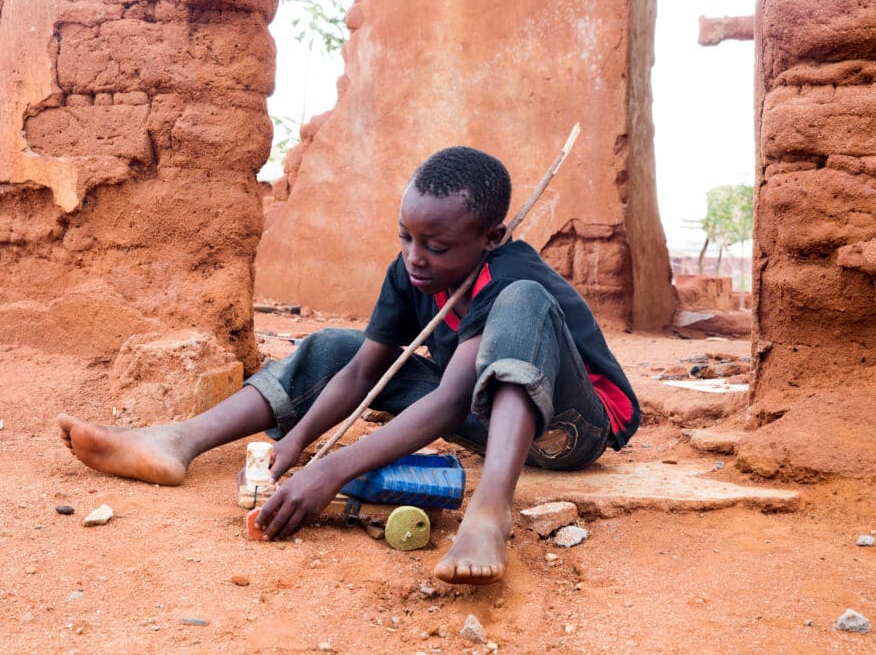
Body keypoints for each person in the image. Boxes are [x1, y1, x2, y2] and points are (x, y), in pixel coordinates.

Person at [59, 146, 639, 585]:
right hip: (489, 416)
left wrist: (332, 470)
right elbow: (364, 374)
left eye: (436, 247)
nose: (416, 256)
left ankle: (490, 513)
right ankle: (179, 441)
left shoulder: (508, 274)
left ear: (491, 237)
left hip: (566, 427)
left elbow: (451, 401)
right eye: (406, 236)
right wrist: (302, 444)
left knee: (522, 304)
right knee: (337, 347)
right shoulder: (411, 271)